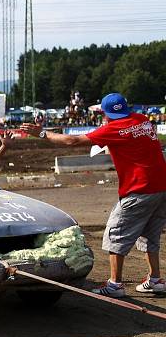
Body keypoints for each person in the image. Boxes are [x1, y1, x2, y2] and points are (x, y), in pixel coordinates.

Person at [21, 92, 166, 297]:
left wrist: (43, 134)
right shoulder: (142, 120)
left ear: (105, 114)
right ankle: (155, 279)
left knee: (117, 232)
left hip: (139, 188)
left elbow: (72, 141)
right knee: (150, 233)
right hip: (161, 186)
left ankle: (115, 285)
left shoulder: (114, 127)